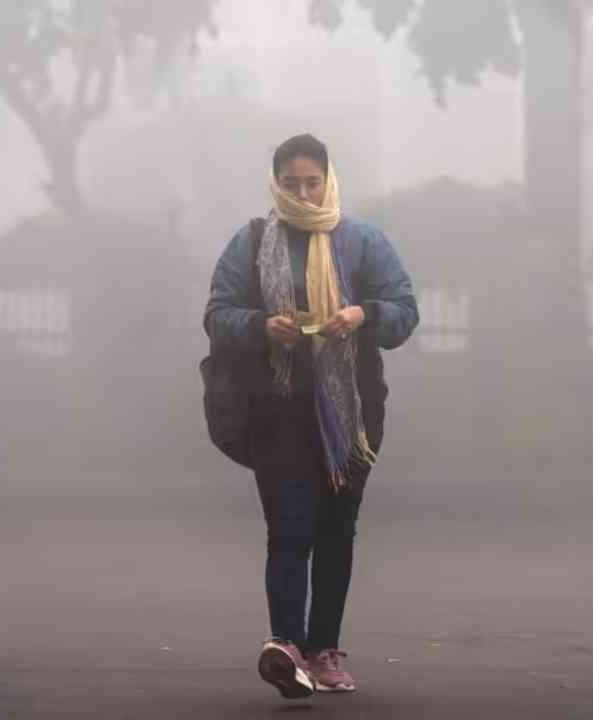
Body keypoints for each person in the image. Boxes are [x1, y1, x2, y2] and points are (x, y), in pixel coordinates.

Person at [203, 134, 418, 698]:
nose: (302, 192)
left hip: (351, 414)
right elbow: (218, 314)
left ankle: (324, 651)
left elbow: (404, 313)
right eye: (291, 184)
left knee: (336, 530)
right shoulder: (250, 243)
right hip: (277, 408)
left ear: (328, 179)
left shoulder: (362, 241)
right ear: (277, 184)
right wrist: (259, 325)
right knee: (289, 528)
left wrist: (361, 313)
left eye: (312, 182)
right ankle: (287, 648)